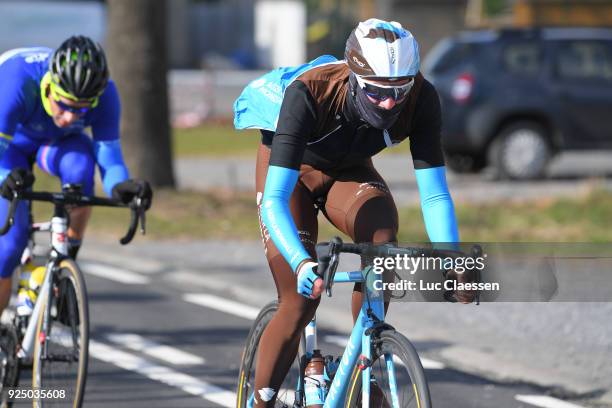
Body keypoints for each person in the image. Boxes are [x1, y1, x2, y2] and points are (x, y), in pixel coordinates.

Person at [234, 18, 475, 406]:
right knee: (300, 300)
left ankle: (365, 358)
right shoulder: (310, 92)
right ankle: (260, 401)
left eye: (400, 91)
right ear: (354, 77)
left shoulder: (422, 98)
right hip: (291, 178)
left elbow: (434, 195)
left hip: (349, 173)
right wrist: (300, 262)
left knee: (383, 249)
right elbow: (276, 199)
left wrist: (452, 256)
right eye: (378, 92)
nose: (390, 104)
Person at [0, 36, 152, 319]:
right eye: (64, 104)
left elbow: (110, 156)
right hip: (10, 147)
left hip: (57, 145)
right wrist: (5, 177)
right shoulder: (16, 81)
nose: (70, 116)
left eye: (80, 109)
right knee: (8, 246)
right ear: (50, 86)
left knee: (80, 171)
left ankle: (64, 259)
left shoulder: (106, 94)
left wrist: (121, 186)